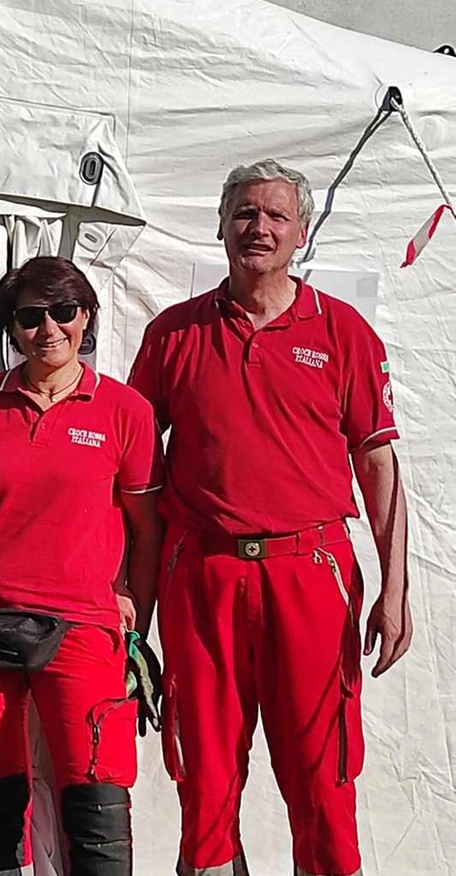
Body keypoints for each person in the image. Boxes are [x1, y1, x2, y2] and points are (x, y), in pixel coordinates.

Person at [127, 159, 412, 876]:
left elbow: (377, 465)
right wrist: (129, 597)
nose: (259, 228)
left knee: (323, 779)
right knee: (206, 780)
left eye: (275, 216)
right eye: (245, 214)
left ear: (301, 231)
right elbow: (130, 474)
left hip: (310, 575)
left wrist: (396, 588)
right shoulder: (173, 334)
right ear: (221, 226)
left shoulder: (341, 332)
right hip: (203, 574)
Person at [0, 257, 163, 876]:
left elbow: (147, 529)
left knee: (97, 786)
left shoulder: (126, 411)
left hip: (83, 624)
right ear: (12, 328)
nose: (49, 328)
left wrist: (133, 607)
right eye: (30, 317)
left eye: (64, 312)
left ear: (86, 317)